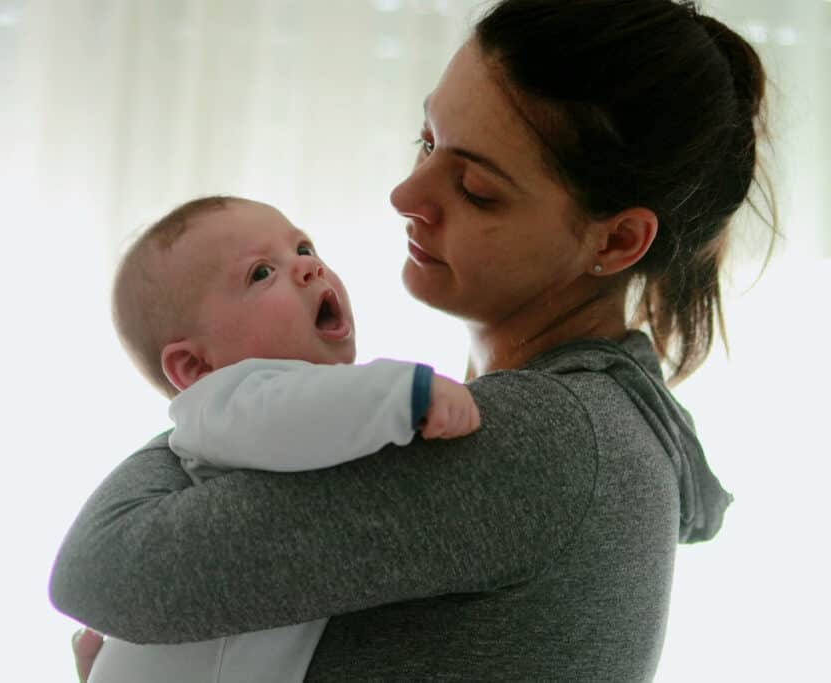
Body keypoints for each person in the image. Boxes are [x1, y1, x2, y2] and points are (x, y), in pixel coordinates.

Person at [51, 0, 775, 680]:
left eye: (475, 188)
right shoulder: (596, 427)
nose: (406, 194)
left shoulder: (536, 442)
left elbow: (100, 570)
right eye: (426, 141)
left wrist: (211, 396)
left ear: (617, 240)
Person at [74, 195, 481, 683]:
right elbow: (296, 414)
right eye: (261, 273)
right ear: (196, 367)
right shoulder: (226, 400)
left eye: (303, 247)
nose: (308, 267)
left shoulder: (279, 412)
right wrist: (407, 394)